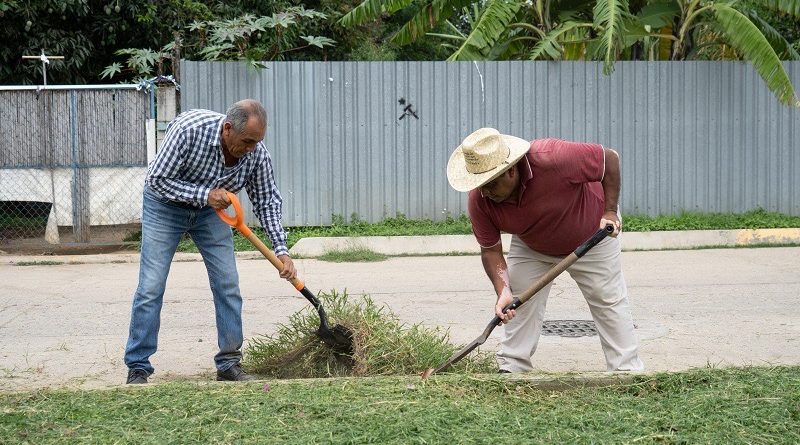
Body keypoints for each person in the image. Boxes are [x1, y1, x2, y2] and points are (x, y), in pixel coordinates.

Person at [124, 99, 297, 384]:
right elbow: (156, 180)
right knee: (151, 286)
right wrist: (205, 195)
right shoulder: (189, 130)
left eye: (258, 142)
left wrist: (281, 250)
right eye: (248, 141)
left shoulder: (256, 153)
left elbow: (266, 201)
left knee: (227, 283)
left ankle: (229, 364)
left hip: (211, 214)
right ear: (228, 129)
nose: (252, 149)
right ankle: (138, 366)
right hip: (164, 206)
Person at [446, 127, 644, 373]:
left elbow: (609, 159)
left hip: (592, 234)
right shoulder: (480, 200)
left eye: (490, 184)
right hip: (532, 245)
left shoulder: (552, 157)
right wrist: (503, 290)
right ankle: (512, 368)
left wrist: (610, 211)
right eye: (479, 185)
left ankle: (627, 371)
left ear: (510, 170)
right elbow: (490, 251)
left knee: (608, 300)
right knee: (518, 301)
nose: (484, 192)